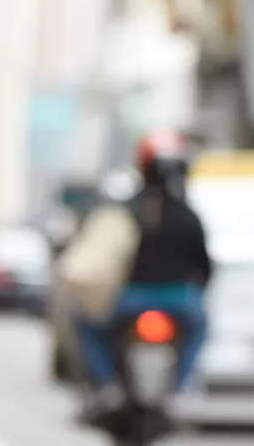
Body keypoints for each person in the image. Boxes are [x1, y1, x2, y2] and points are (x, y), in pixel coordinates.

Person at [76, 131, 212, 421]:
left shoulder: (128, 212)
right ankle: (182, 386)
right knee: (199, 330)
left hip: (131, 299)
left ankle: (107, 383)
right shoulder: (189, 216)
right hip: (180, 300)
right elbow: (205, 266)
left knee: (88, 324)